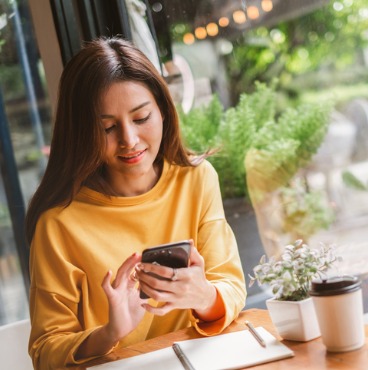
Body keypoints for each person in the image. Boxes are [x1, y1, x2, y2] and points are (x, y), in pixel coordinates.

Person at [26, 36, 247, 370]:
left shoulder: (196, 180)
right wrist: (109, 332)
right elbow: (45, 350)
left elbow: (229, 285)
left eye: (141, 118)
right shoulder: (59, 223)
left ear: (162, 110)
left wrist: (203, 296)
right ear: (82, 132)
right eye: (108, 128)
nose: (129, 140)